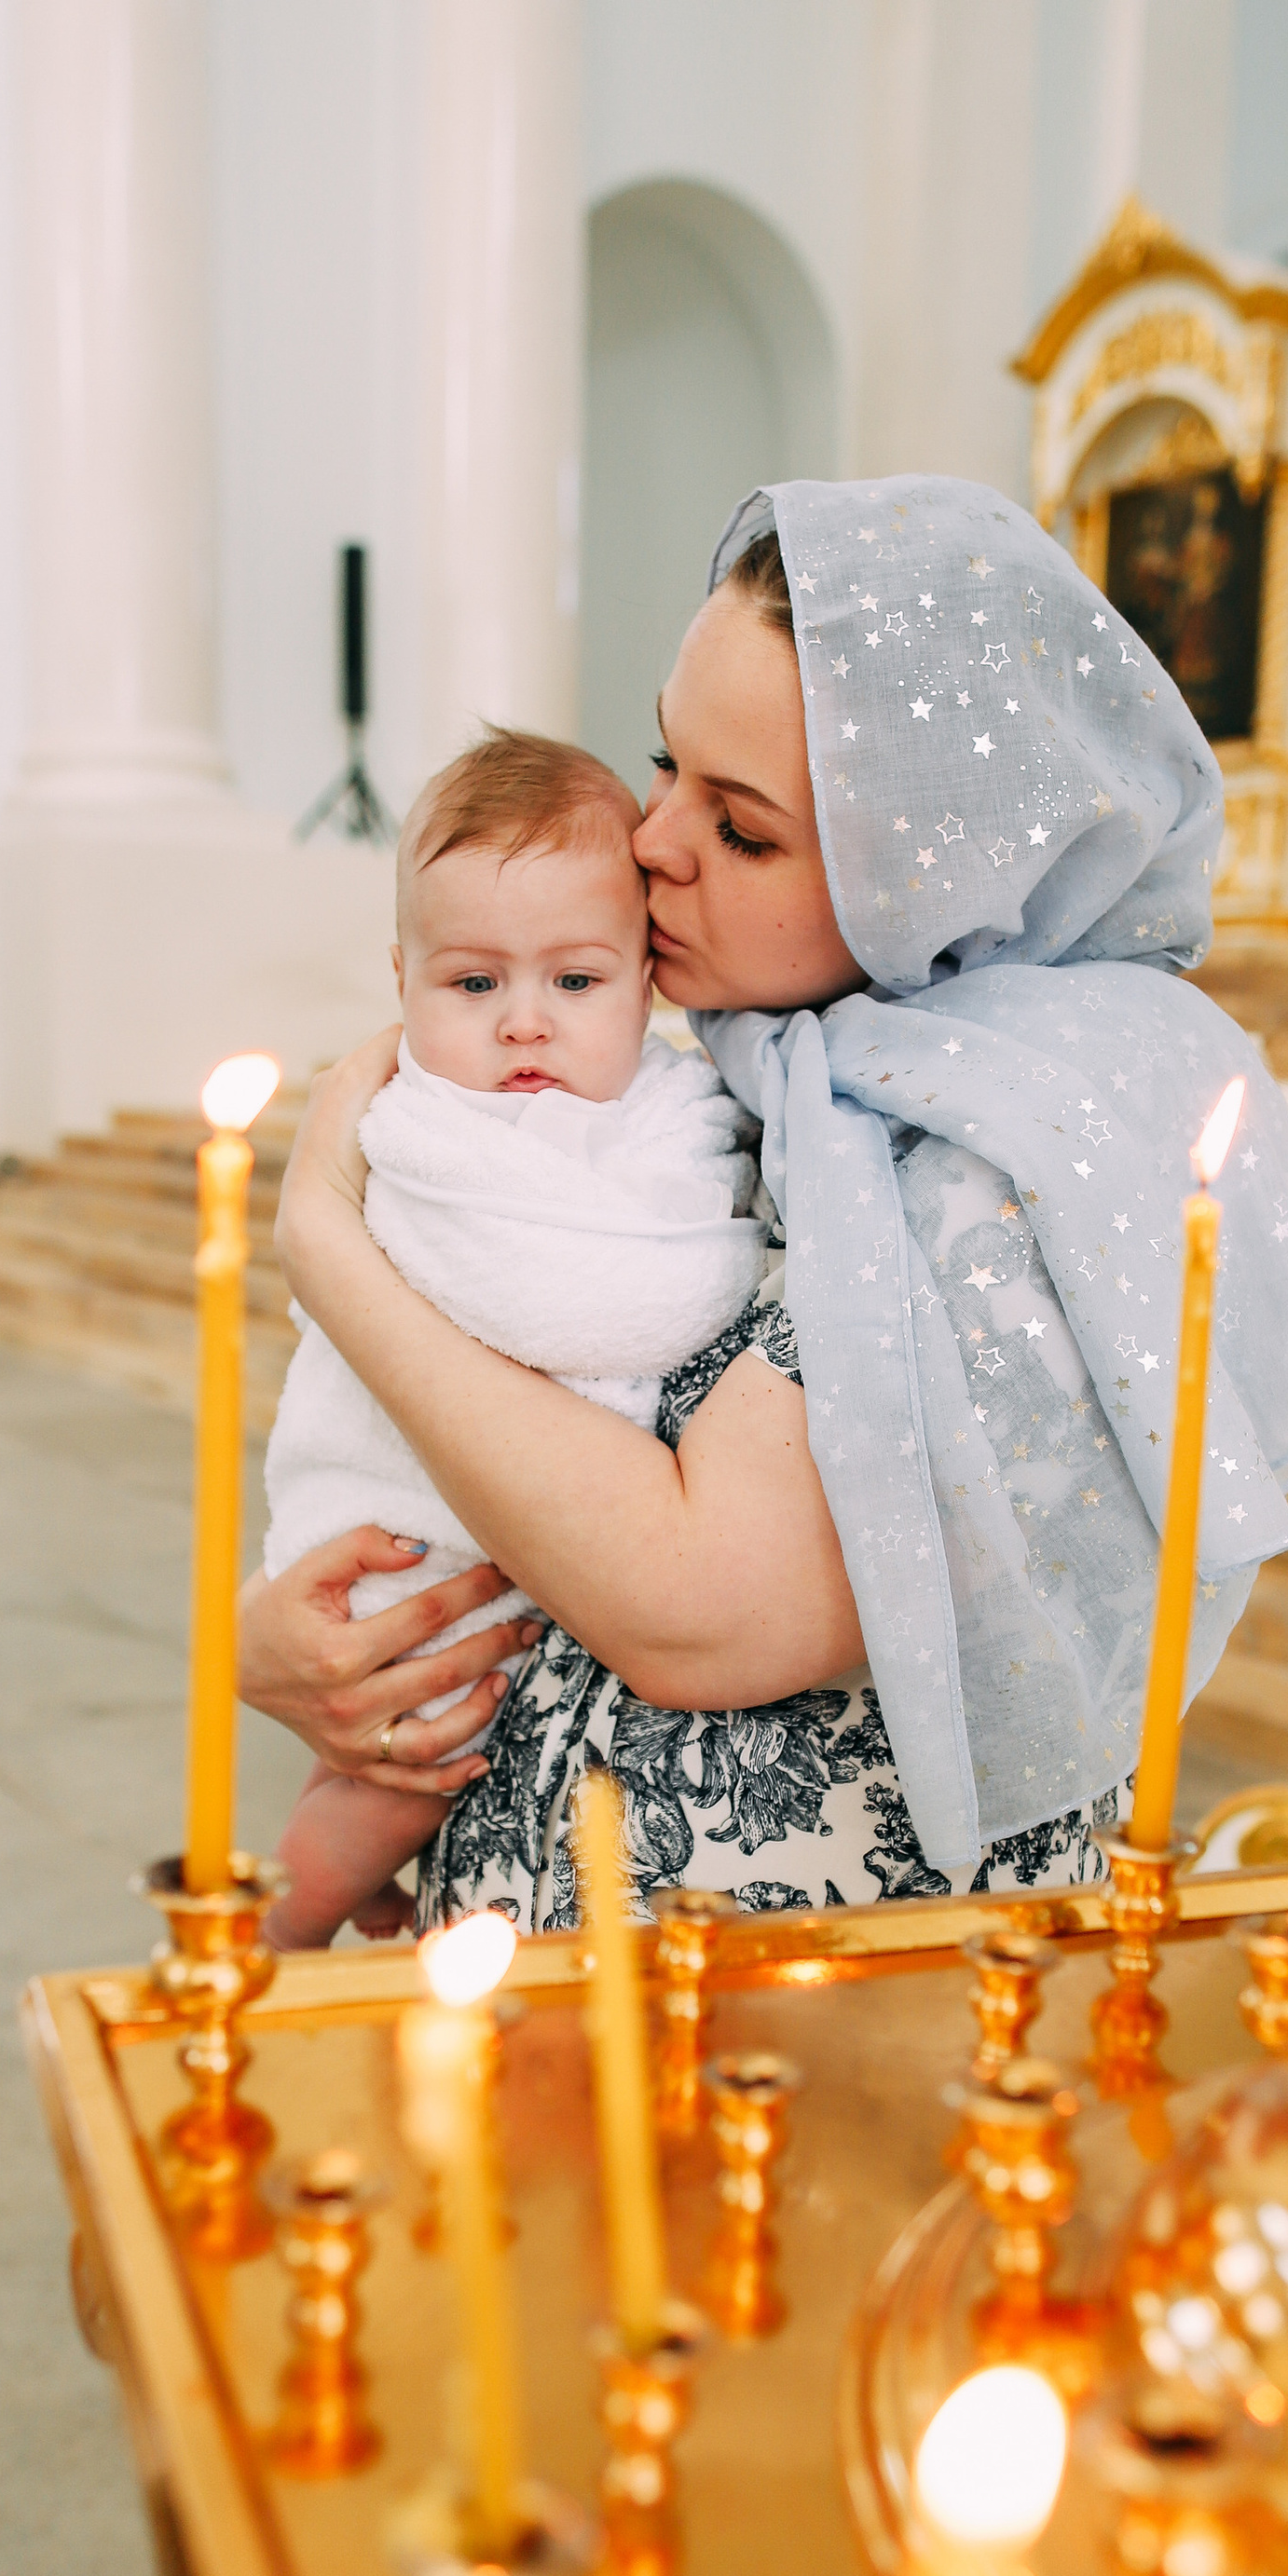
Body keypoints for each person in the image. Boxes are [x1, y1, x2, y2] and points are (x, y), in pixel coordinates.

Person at [239, 474, 1288, 1928]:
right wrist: (314, 1639)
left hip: (802, 2006)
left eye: (742, 827)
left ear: (930, 873)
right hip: (555, 1952)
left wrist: (325, 1246)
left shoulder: (1025, 1137)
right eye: (663, 766)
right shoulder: (776, 1054)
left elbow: (696, 1607)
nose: (653, 843)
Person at [256, 727, 766, 1946]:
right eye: (474, 985)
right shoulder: (425, 1130)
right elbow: (547, 1302)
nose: (523, 1025)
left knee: (399, 1765)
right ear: (402, 977)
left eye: (574, 982)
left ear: (647, 977)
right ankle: (280, 1922)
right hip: (409, 1526)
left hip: (520, 1523)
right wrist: (703, 1269)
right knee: (409, 1761)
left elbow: (688, 1205)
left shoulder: (666, 1108)